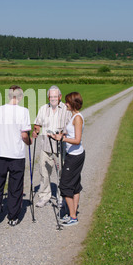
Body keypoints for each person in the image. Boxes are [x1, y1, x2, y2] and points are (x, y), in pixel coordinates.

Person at [0, 85, 32, 227]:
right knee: (15, 186)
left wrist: (3, 140)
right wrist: (29, 142)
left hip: (1, 153)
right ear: (20, 97)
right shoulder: (24, 111)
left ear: (8, 96)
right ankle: (13, 217)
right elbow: (24, 134)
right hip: (17, 155)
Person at [32, 85, 71, 207]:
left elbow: (70, 127)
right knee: (44, 172)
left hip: (60, 146)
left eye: (55, 96)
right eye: (51, 96)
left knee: (61, 172)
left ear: (59, 97)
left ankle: (61, 196)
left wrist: (61, 134)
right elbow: (38, 123)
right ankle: (44, 196)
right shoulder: (43, 108)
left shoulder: (66, 109)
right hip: (45, 145)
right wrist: (36, 131)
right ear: (48, 97)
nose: (53, 99)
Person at [51, 92, 85, 227]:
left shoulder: (77, 118)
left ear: (73, 103)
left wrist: (62, 138)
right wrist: (64, 133)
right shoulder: (73, 116)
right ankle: (73, 213)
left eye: (68, 102)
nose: (66, 104)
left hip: (75, 156)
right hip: (74, 154)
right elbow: (72, 134)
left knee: (64, 185)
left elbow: (77, 140)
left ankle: (72, 217)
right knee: (75, 185)